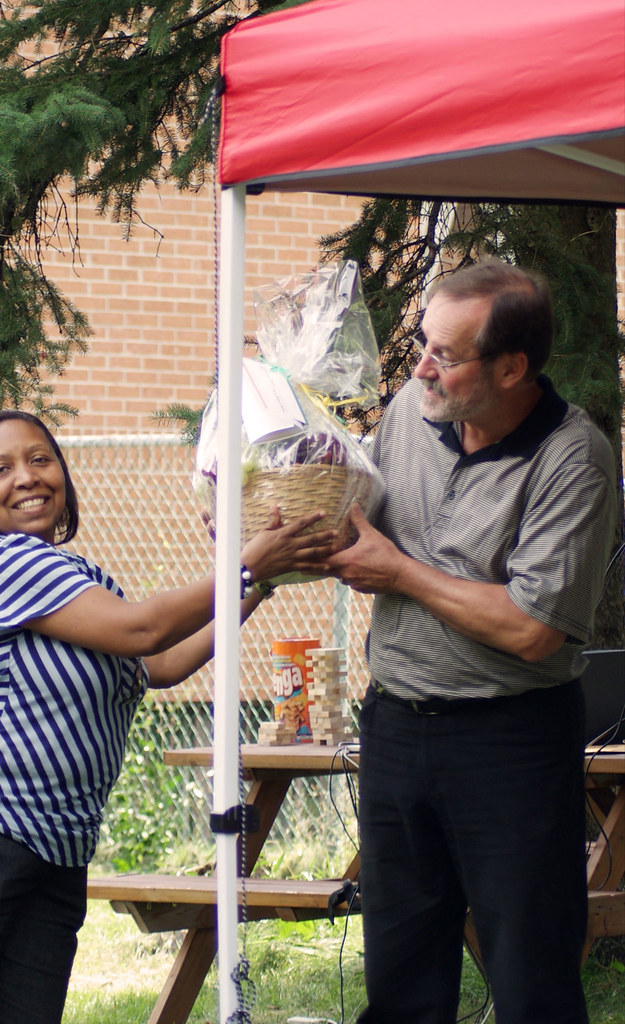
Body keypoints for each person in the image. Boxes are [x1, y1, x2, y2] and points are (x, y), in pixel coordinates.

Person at [0, 409, 337, 1024]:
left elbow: (164, 661)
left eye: (41, 459)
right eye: (0, 469)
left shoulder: (78, 575)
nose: (27, 477)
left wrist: (260, 582)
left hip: (52, 843)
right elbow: (144, 627)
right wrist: (245, 564)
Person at [326, 260, 618, 1024]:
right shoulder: (405, 414)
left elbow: (531, 628)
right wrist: (253, 512)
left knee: (529, 980)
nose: (420, 366)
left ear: (512, 366)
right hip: (394, 725)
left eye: (444, 356)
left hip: (508, 741)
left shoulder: (573, 458)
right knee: (400, 980)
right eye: (422, 344)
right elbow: (350, 523)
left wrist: (399, 571)